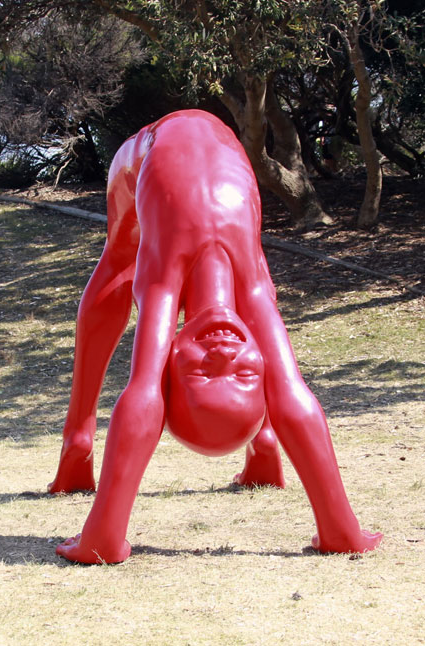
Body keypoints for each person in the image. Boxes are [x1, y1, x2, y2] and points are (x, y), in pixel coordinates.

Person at [49, 110, 382, 564]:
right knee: (259, 314)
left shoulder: (162, 283)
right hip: (219, 156)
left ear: (172, 356)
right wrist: (341, 529)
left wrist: (103, 536)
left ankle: (78, 440)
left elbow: (143, 390)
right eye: (245, 371)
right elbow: (290, 390)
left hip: (148, 147)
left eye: (205, 371)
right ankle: (263, 447)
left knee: (120, 257)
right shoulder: (255, 289)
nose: (225, 350)